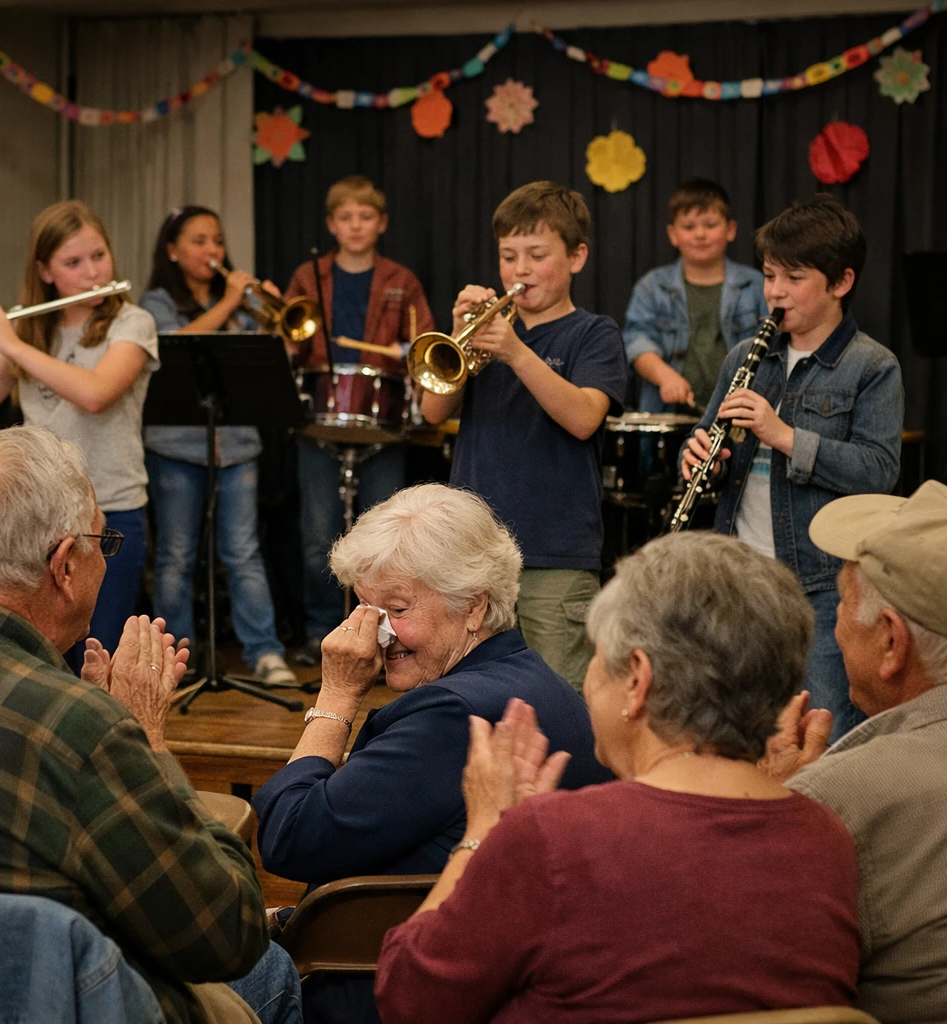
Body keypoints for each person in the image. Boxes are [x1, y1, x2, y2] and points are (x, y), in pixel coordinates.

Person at [374, 531, 860, 1024]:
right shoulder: (828, 837)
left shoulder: (553, 836)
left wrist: (481, 832)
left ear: (637, 680)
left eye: (595, 657)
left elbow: (408, 1001)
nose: (587, 679)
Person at [0, 427, 302, 1024]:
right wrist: (143, 734)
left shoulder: (64, 719)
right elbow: (229, 930)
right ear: (65, 566)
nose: (107, 556)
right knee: (271, 970)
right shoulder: (78, 730)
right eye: (104, 540)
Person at [253, 483, 610, 1024]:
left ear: (474, 607)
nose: (376, 634)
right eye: (365, 607)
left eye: (396, 607)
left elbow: (287, 836)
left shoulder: (453, 715)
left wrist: (336, 694)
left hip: (379, 990)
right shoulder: (535, 680)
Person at [681, 194, 903, 741]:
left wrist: (781, 435)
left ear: (841, 282)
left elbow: (879, 472)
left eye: (793, 277)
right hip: (740, 579)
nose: (775, 292)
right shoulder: (744, 358)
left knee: (821, 735)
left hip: (824, 587)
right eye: (769, 275)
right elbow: (713, 441)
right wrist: (698, 460)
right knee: (738, 732)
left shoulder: (872, 367)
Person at [0, 200, 158, 658]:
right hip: (38, 522)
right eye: (74, 263)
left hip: (109, 517)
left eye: (99, 256)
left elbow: (95, 394)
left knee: (97, 654)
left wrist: (11, 343)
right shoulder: (33, 332)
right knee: (41, 654)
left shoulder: (133, 323)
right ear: (45, 272)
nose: (92, 272)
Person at [421, 180, 628, 690]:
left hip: (554, 555)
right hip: (474, 556)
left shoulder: (593, 334)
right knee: (477, 698)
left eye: (537, 255)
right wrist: (456, 335)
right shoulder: (487, 335)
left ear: (577, 256)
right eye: (509, 256)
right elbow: (432, 410)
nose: (520, 270)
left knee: (561, 700)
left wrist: (516, 351)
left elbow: (583, 417)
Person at [760, 480, 947, 1024]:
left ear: (891, 642)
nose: (832, 623)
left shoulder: (840, 794)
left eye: (840, 602)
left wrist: (773, 807)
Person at [141, 206, 295, 684]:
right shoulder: (156, 301)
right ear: (172, 250)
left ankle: (265, 653)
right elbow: (168, 348)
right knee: (175, 556)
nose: (213, 251)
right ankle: (177, 659)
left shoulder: (240, 305)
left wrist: (273, 322)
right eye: (199, 241)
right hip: (175, 445)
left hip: (237, 445)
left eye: (218, 241)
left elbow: (275, 362)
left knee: (244, 552)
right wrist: (230, 302)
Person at [285, 175, 434, 665]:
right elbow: (288, 340)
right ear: (331, 224)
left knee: (386, 543)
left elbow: (428, 345)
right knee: (317, 535)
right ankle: (318, 631)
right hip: (316, 419)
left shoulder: (402, 280)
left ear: (381, 223)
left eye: (365, 217)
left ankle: (383, 635)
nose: (355, 226)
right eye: (345, 217)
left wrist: (408, 350)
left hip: (383, 422)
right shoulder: (308, 276)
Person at [623, 177, 768, 413]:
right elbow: (637, 342)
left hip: (741, 414)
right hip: (669, 414)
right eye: (689, 227)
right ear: (673, 234)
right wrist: (665, 376)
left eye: (710, 225)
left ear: (731, 230)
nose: (700, 234)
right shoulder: (651, 286)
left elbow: (774, 350)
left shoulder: (756, 284)